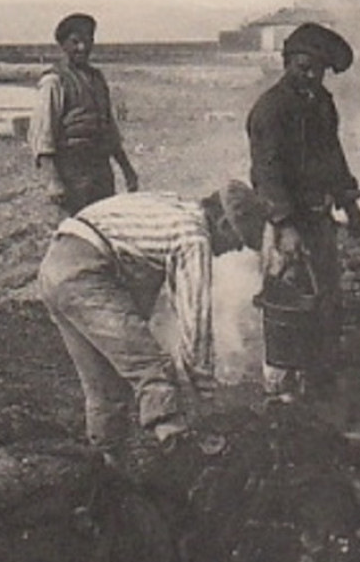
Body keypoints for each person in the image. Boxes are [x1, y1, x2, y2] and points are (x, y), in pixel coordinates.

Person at [37, 181, 268, 460]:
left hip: (56, 266)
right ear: (222, 223)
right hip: (87, 273)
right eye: (236, 241)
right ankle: (182, 457)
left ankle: (109, 469)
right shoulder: (194, 238)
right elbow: (196, 325)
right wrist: (204, 399)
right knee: (152, 369)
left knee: (103, 385)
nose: (231, 251)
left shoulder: (177, 205)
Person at [245, 21, 360, 401]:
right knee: (286, 303)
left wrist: (349, 202)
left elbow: (332, 155)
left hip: (320, 219)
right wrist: (285, 225)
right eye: (303, 67)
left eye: (319, 70)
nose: (311, 76)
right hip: (288, 224)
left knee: (325, 298)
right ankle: (280, 392)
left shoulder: (322, 103)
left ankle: (317, 379)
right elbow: (267, 172)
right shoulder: (270, 109)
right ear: (287, 63)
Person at [28, 12, 139, 216]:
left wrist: (127, 169)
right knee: (75, 231)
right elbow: (43, 135)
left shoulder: (97, 79)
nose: (83, 48)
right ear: (63, 45)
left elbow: (109, 129)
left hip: (101, 168)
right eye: (75, 42)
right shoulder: (54, 81)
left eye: (88, 41)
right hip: (72, 170)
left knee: (105, 227)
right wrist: (53, 181)